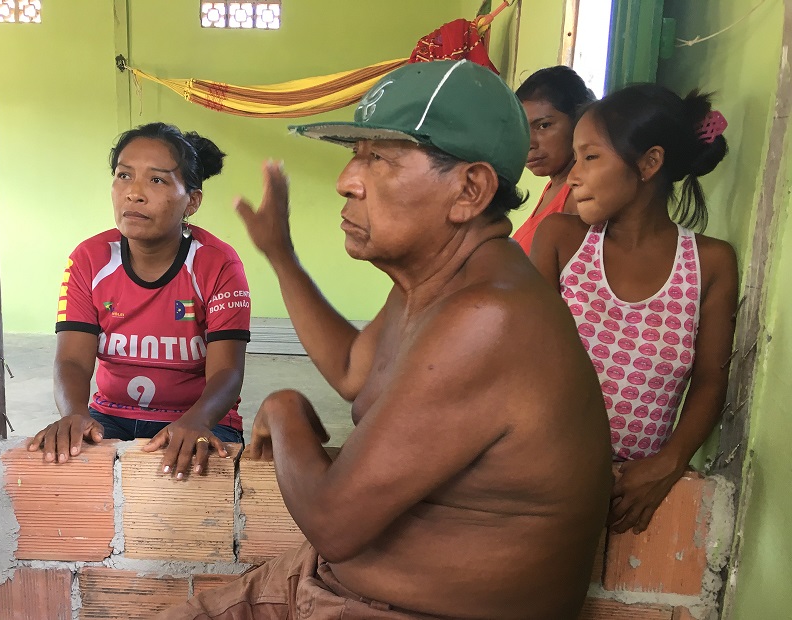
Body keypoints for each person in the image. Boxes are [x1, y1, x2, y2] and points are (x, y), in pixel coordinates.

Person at [160, 60, 611, 620]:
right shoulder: (438, 279)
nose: (347, 180)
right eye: (357, 154)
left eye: (380, 159)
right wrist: (281, 254)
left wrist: (284, 411)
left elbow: (334, 523)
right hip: (338, 588)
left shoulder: (488, 317)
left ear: (469, 189)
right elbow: (356, 368)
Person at [530, 84, 737, 535]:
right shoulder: (561, 240)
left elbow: (711, 380)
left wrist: (669, 462)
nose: (573, 177)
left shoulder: (710, 263)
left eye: (590, 157)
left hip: (632, 494)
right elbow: (526, 361)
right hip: (543, 469)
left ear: (649, 163)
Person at [28, 122, 251, 478]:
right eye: (124, 175)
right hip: (110, 417)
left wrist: (196, 421)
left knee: (186, 486)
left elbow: (227, 371)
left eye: (157, 180)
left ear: (192, 201)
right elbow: (71, 360)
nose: (134, 193)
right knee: (63, 473)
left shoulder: (218, 264)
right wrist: (75, 414)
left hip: (202, 420)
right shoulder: (89, 259)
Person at [511, 65, 595, 254]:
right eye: (522, 130)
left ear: (578, 121)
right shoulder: (554, 186)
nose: (529, 143)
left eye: (544, 126)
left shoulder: (581, 197)